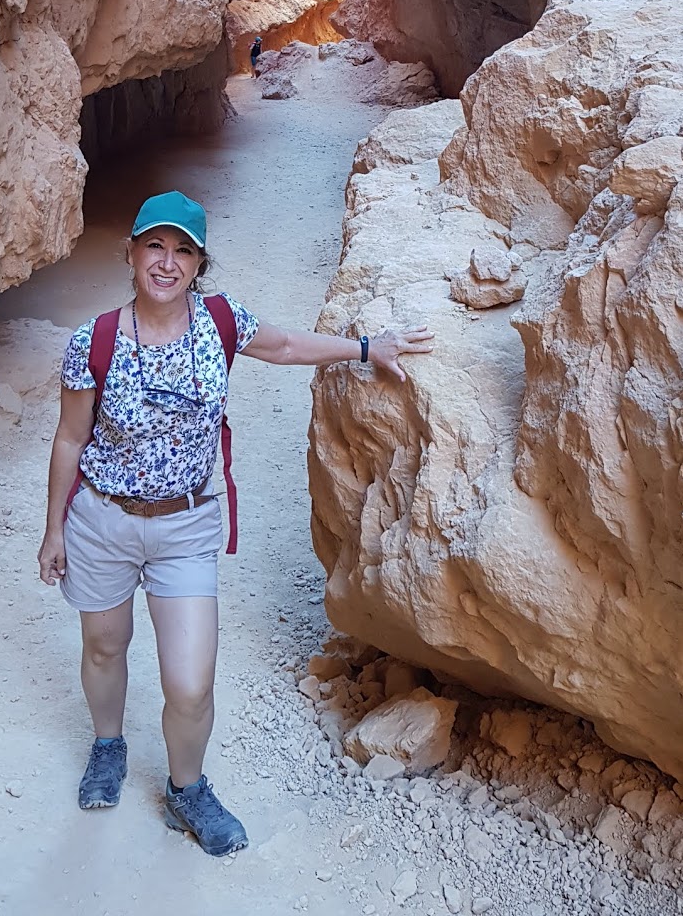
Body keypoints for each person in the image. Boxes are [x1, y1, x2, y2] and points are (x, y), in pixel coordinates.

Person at [37, 190, 434, 857]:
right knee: (104, 646)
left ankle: (186, 789)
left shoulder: (220, 321)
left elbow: (284, 345)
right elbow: (70, 439)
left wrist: (367, 347)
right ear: (130, 253)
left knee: (190, 684)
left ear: (199, 264)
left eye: (183, 251)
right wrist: (54, 530)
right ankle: (108, 745)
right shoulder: (93, 341)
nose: (167, 262)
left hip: (185, 527)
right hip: (102, 521)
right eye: (154, 246)